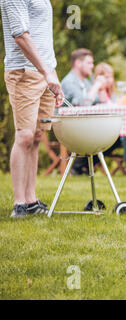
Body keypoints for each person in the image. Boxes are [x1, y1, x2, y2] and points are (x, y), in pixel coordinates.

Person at [1, 0, 64, 218]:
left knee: (37, 136)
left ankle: (31, 199)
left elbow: (43, 37)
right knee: (25, 135)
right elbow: (20, 35)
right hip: (23, 72)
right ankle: (19, 203)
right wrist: (45, 71)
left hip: (46, 71)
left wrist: (52, 73)